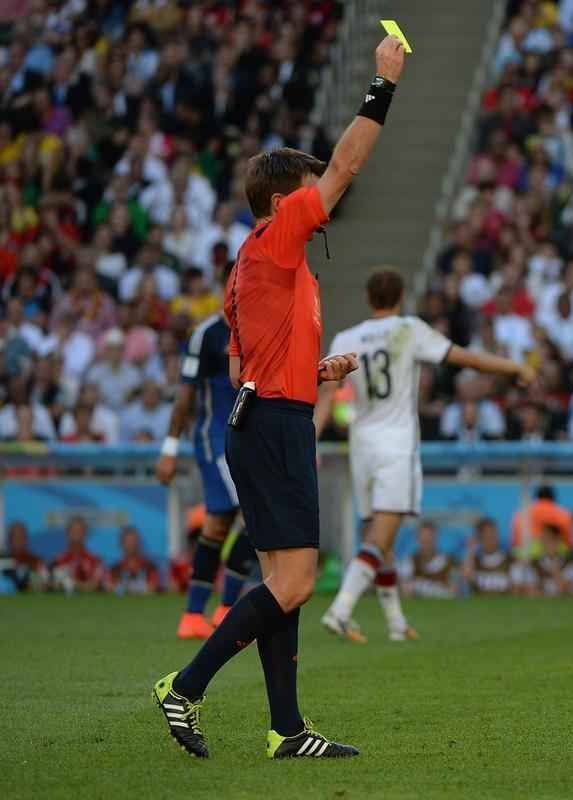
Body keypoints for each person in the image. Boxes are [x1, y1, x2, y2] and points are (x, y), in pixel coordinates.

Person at [151, 34, 407, 762]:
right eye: (310, 185)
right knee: (294, 580)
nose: (324, 192)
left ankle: (288, 730)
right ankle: (186, 685)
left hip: (259, 414)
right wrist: (380, 85)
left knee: (280, 583)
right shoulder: (280, 232)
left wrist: (312, 370)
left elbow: (242, 363)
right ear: (281, 197)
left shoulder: (252, 262)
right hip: (275, 426)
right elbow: (350, 163)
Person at [314, 269, 534, 643]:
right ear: (400, 298)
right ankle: (341, 609)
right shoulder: (408, 329)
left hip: (361, 445)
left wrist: (311, 438)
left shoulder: (346, 337)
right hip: (395, 443)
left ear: (369, 299)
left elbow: (328, 394)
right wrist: (514, 367)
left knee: (379, 536)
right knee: (383, 533)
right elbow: (464, 359)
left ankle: (396, 622)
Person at [155, 284, 258, 639]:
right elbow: (185, 397)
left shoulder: (260, 325)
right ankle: (227, 607)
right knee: (255, 512)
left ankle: (194, 615)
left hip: (249, 438)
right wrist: (170, 448)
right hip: (214, 439)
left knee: (218, 525)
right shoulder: (206, 335)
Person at [398, 521, 457, 598]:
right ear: (417, 538)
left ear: (435, 537)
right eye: (423, 537)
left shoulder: (449, 561)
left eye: (429, 537)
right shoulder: (409, 561)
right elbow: (405, 590)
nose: (426, 540)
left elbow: (453, 591)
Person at [461, 517, 516, 595]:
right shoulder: (475, 560)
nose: (491, 538)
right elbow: (466, 577)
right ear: (480, 537)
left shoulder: (510, 559)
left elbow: (517, 589)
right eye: (486, 535)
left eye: (493, 534)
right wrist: (470, 550)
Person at [50, 517, 105, 592]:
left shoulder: (95, 560)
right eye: (73, 531)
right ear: (67, 533)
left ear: (85, 534)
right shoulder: (58, 560)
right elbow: (52, 585)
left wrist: (72, 584)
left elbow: (96, 585)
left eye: (80, 531)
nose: (76, 534)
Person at [105, 526, 161, 595]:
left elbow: (153, 588)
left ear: (139, 543)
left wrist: (123, 589)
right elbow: (109, 587)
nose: (131, 544)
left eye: (134, 541)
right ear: (121, 544)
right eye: (128, 541)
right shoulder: (115, 568)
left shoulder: (149, 567)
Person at [1, 521, 47, 592]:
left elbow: (44, 582)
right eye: (15, 536)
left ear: (26, 538)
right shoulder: (2, 560)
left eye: (21, 536)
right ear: (9, 539)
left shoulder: (35, 560)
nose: (18, 540)